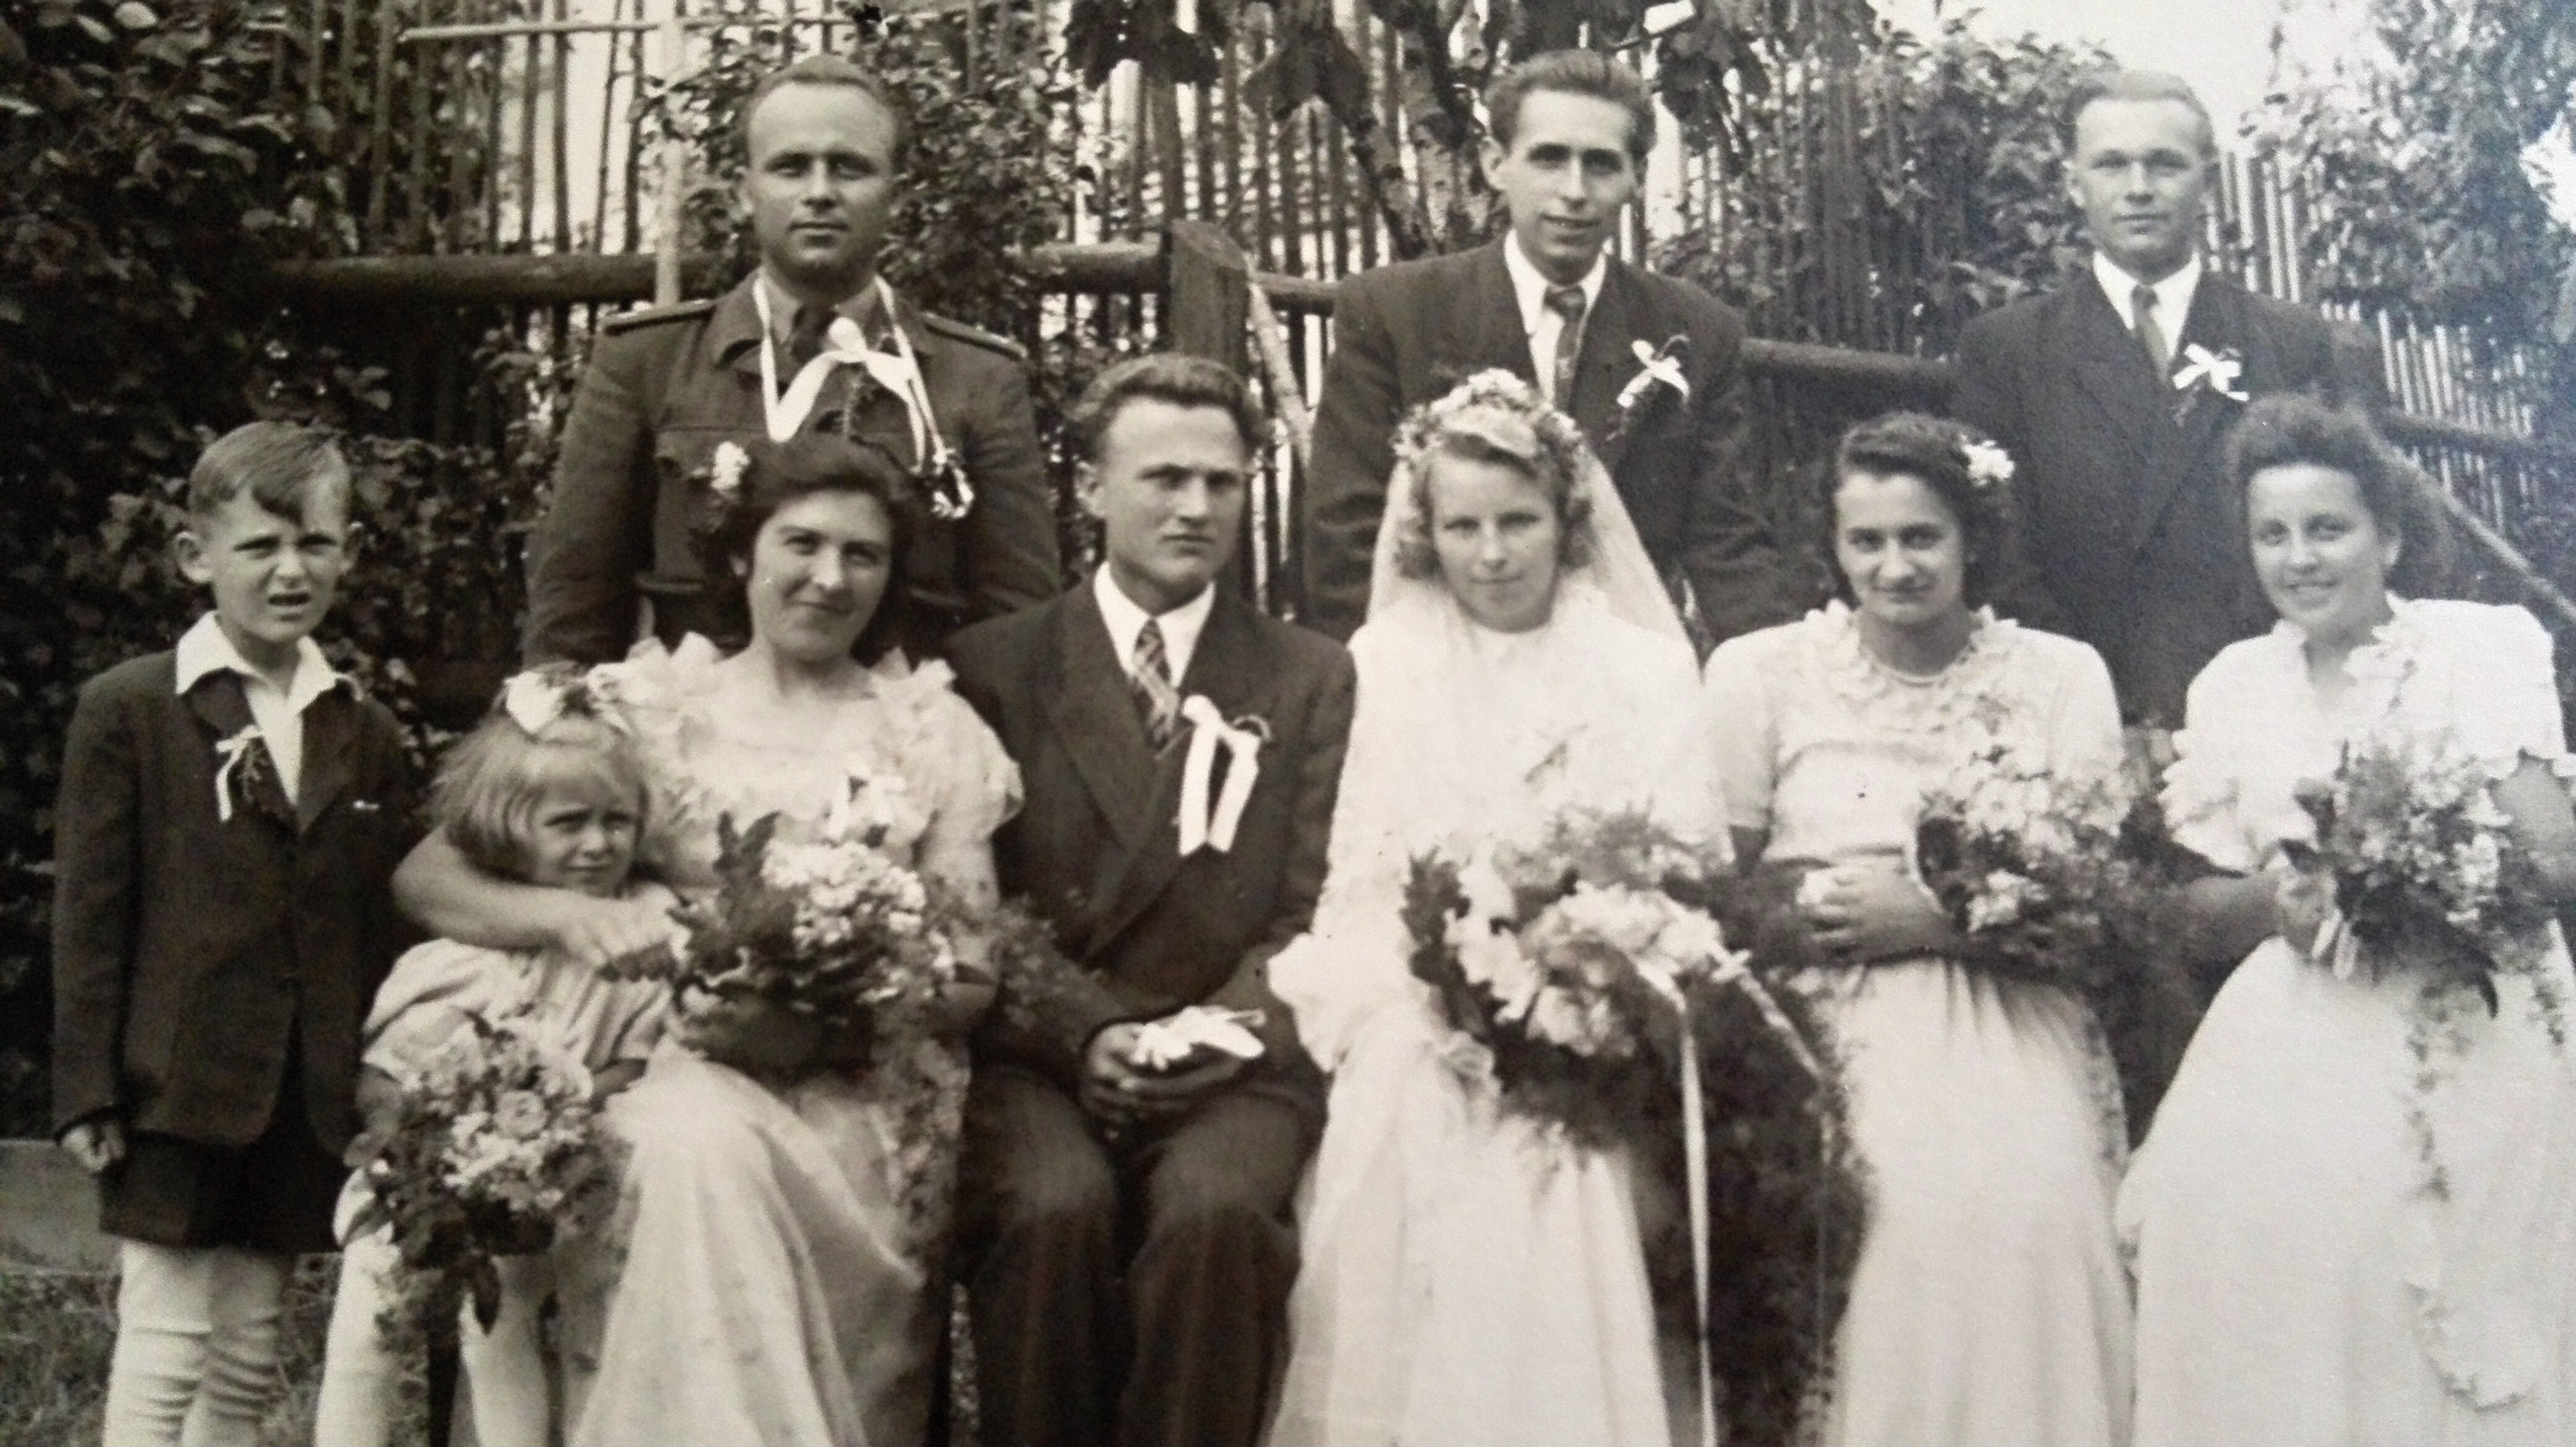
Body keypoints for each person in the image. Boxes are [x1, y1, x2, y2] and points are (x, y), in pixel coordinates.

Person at [396, 432, 1020, 1447]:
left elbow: (973, 972)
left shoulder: (931, 731)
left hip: (863, 1094)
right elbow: (429, 876)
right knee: (682, 1139)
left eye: (862, 555)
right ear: (740, 554)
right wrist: (579, 917)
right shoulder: (647, 711)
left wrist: (818, 1033)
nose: (830, 578)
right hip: (659, 1058)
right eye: (801, 543)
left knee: (691, 1144)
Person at [1264, 370, 1717, 1447]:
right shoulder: (1385, 659)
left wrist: (1579, 978)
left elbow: (1683, 868)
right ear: (1424, 533)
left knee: (1567, 1154)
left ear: (1568, 520)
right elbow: (1366, 875)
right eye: (1462, 527)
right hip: (1419, 997)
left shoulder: (1647, 668)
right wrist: (1452, 997)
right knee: (1407, 1101)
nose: (1493, 554)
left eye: (1519, 522)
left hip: (1599, 997)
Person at [2121, 395, 2576, 1446]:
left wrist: (2420, 869)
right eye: (2273, 535)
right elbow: (2191, 911)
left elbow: (2556, 855)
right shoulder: (2234, 684)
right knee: (2235, 1241)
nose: (2301, 559)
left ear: (2391, 536)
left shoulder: (2477, 648)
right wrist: (2272, 903)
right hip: (2298, 1021)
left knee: (2405, 1274)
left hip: (2465, 1013)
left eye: (2328, 529)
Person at [944, 354, 1354, 1447]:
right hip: (1042, 1055)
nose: (1195, 506)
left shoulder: (1308, 675)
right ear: (1089, 487)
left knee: (1217, 1214)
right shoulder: (995, 665)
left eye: (1222, 481)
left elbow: (1313, 908)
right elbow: (978, 906)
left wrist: (1208, 1035)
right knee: (1052, 1209)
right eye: (1164, 477)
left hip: (1233, 1059)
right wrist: (1091, 1033)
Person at [1702, 413, 2131, 1447]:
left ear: (1974, 538)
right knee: (1883, 1200)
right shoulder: (1761, 672)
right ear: (1833, 546)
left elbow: (2098, 903)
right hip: (1821, 1005)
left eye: (1922, 537)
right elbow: (1716, 888)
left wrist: (1935, 919)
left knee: (2030, 1198)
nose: (1895, 568)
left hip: (2009, 999)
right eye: (1867, 541)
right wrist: (1806, 918)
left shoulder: (2062, 674)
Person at [51, 422, 417, 1446]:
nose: (290, 571)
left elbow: (379, 922)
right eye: (260, 547)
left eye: (316, 544)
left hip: (302, 1086)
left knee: (252, 1340)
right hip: (174, 1082)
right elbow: (90, 911)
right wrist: (86, 1084)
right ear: (195, 556)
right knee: (166, 1335)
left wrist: (375, 1068)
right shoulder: (132, 709)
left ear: (349, 552)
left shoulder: (364, 729)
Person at [522, 53, 1059, 666]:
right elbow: (574, 611)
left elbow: (1020, 631)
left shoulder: (977, 380)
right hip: (691, 713)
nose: (820, 193)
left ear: (896, 195)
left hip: (903, 717)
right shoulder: (647, 363)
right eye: (790, 167)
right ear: (745, 192)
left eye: (849, 167)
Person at [1303, 50, 1788, 647]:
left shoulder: (1697, 330)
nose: (1574, 191)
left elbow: (1729, 544)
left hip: (1620, 665)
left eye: (1601, 164)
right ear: (1496, 164)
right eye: (1549, 158)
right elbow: (1345, 538)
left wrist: (1779, 673)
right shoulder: (1396, 313)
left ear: (1636, 178)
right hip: (1445, 662)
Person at [1951, 69, 2376, 728]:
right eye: (2111, 165)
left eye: (2165, 164)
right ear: (2074, 184)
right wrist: (2100, 709)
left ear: (2208, 180)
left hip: (2266, 708)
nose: (2139, 188)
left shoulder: (2290, 341)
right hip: (2083, 711)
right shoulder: (2008, 349)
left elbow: (2340, 536)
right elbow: (2000, 555)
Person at [312, 686, 668, 1447]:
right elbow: (384, 1071)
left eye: (617, 820)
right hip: (418, 1182)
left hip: (553, 1189)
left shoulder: (636, 948)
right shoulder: (461, 952)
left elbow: (638, 1066)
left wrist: (556, 1115)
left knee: (499, 1323)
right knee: (369, 1321)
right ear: (509, 829)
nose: (598, 843)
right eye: (568, 823)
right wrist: (423, 1140)